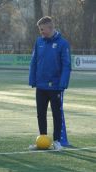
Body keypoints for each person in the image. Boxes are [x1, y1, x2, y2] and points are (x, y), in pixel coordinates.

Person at [29, 16, 71, 151]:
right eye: (40, 30)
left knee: (56, 114)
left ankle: (57, 141)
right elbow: (34, 61)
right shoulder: (38, 42)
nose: (41, 32)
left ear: (50, 28)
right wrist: (32, 79)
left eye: (43, 29)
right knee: (40, 113)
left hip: (56, 86)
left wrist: (63, 83)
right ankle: (42, 140)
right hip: (41, 85)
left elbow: (66, 65)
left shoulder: (63, 44)